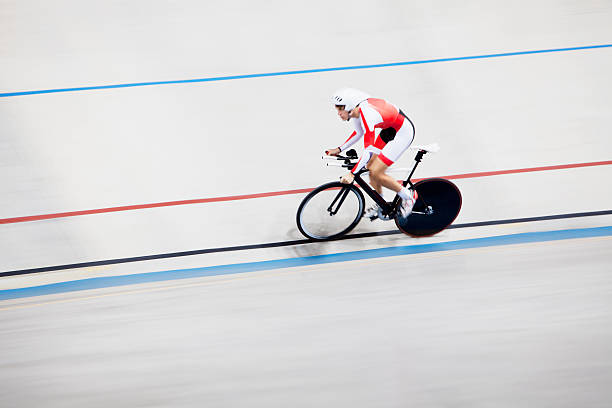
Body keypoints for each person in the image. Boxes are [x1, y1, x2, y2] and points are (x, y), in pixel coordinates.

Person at [326, 87, 418, 219]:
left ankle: (409, 197)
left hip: (402, 133)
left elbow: (369, 150)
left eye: (341, 109)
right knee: (370, 167)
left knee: (376, 172)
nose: (339, 113)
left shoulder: (367, 115)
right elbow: (358, 132)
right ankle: (382, 203)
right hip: (389, 129)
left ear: (350, 107)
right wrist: (339, 149)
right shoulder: (357, 111)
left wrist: (352, 173)